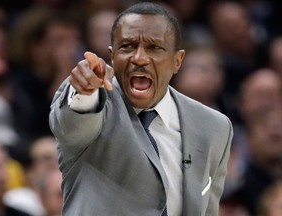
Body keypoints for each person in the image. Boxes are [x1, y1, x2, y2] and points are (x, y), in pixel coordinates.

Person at [49, 2, 233, 216]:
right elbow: (72, 127)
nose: (139, 58)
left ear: (177, 60)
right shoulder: (94, 101)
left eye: (154, 47)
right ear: (112, 55)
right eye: (127, 46)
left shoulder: (214, 127)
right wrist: (85, 90)